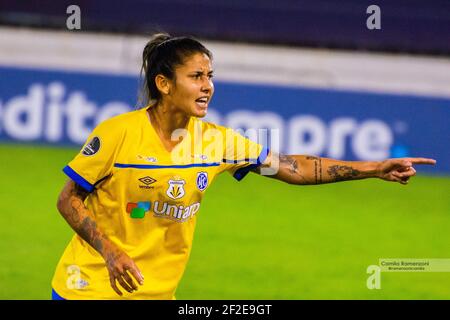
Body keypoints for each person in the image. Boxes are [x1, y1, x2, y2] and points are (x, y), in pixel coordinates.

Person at [51, 33, 436, 300]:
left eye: (210, 77)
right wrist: (110, 252)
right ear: (164, 84)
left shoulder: (216, 142)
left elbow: (292, 167)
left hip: (155, 291)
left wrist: (372, 169)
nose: (208, 86)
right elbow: (68, 199)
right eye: (196, 77)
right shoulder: (118, 133)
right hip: (89, 285)